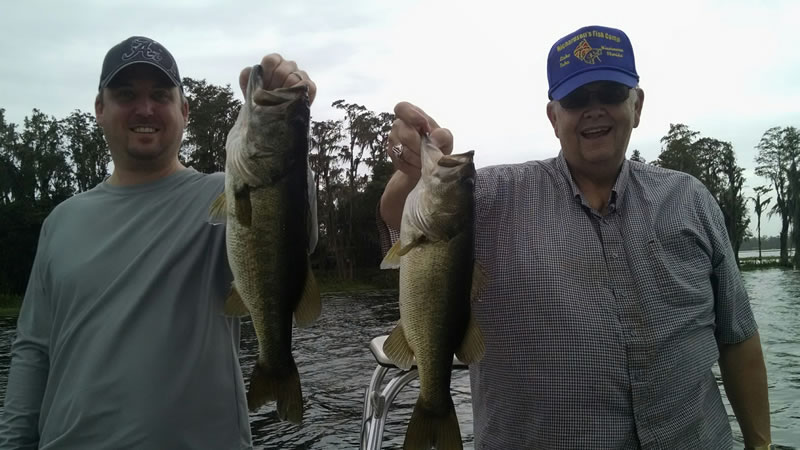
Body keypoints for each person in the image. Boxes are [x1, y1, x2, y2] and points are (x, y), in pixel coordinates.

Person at [378, 25, 772, 449]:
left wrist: (760, 443)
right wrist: (410, 168)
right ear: (554, 117)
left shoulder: (690, 199)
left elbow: (737, 338)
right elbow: (401, 219)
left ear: (637, 106)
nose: (594, 108)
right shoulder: (492, 196)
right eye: (577, 99)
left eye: (609, 93)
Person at [0, 36, 316, 449]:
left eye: (161, 95)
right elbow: (33, 350)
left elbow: (295, 234)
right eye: (126, 94)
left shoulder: (223, 198)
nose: (145, 108)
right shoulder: (60, 222)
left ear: (184, 110)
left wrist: (292, 120)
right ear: (100, 109)